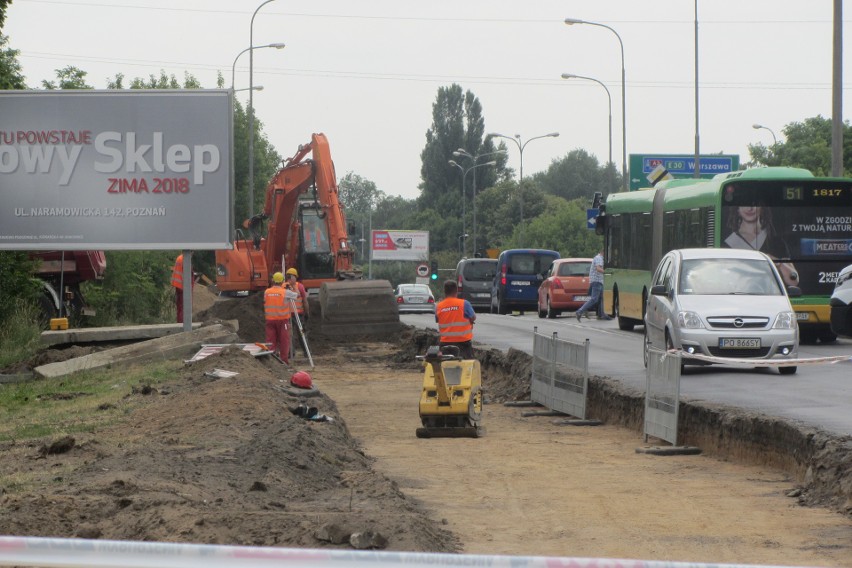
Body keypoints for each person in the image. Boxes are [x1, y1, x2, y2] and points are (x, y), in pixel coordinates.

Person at [723, 205, 799, 287]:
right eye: (744, 204)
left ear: (762, 208)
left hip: (769, 295)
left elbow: (793, 281)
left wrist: (777, 262)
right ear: (737, 209)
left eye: (754, 204)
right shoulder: (727, 243)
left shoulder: (776, 242)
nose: (750, 208)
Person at [435, 279, 476, 359]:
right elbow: (473, 317)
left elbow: (437, 319)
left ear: (445, 291)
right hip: (463, 343)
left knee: (444, 365)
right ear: (456, 291)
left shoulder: (438, 306)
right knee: (467, 364)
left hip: (445, 343)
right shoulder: (464, 304)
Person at [575, 249, 613, 322]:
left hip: (599, 281)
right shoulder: (599, 258)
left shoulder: (598, 258)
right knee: (594, 299)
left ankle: (603, 314)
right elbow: (598, 268)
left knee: (602, 298)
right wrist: (607, 272)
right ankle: (579, 311)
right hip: (597, 281)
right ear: (603, 252)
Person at [263, 272, 291, 364]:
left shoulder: (267, 292)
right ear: (282, 281)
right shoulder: (285, 292)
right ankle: (284, 361)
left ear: (273, 280)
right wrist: (290, 288)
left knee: (270, 341)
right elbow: (297, 296)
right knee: (284, 341)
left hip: (270, 320)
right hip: (283, 320)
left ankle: (271, 360)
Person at [286, 267, 310, 358]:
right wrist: (307, 312)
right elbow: (305, 301)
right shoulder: (299, 286)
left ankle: (290, 353)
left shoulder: (283, 286)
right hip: (295, 314)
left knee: (291, 334)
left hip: (291, 314)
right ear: (295, 276)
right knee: (300, 334)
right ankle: (306, 353)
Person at [170, 253, 193, 324]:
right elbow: (187, 274)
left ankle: (180, 322)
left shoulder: (180, 257)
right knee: (184, 307)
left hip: (178, 285)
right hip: (183, 287)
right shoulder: (185, 259)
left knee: (180, 307)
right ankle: (183, 323)